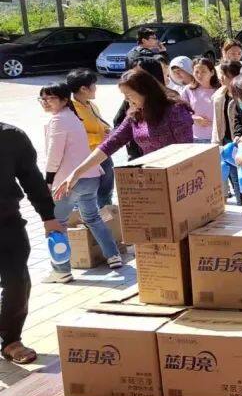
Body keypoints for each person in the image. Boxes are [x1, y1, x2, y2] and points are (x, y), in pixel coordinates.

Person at [54, 69, 195, 200]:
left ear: (145, 91)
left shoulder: (175, 111)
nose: (127, 100)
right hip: (154, 179)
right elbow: (110, 144)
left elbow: (186, 151)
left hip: (180, 180)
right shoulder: (135, 115)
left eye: (129, 95)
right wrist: (76, 173)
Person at [39, 82, 123, 278]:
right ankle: (113, 256)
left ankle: (61, 271)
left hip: (68, 181)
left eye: (50, 98)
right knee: (92, 217)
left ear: (64, 99)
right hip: (90, 177)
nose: (45, 102)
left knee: (57, 223)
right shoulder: (73, 117)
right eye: (42, 98)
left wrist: (48, 181)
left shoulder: (58, 120)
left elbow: (54, 155)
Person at [0, 122, 64, 364]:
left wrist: (48, 217)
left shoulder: (10, 137)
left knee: (17, 281)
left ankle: (11, 340)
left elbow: (32, 179)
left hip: (6, 224)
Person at [66, 69, 114, 208]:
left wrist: (106, 130)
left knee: (106, 192)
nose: (96, 88)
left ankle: (108, 218)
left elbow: (98, 124)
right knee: (85, 196)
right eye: (94, 85)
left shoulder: (90, 104)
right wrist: (100, 137)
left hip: (102, 153)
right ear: (83, 89)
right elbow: (74, 137)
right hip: (85, 158)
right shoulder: (70, 110)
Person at [213, 60, 242, 204]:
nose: (220, 77)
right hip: (225, 140)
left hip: (239, 141)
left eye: (223, 74)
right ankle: (241, 203)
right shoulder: (220, 94)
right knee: (231, 177)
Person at [182, 57, 219, 144]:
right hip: (196, 136)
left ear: (212, 72)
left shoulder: (220, 89)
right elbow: (181, 112)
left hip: (217, 136)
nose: (199, 75)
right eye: (196, 72)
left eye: (203, 71)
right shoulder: (188, 90)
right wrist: (193, 118)